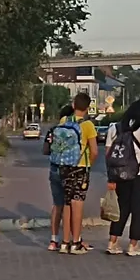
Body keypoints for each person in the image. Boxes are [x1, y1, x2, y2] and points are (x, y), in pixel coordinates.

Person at [105, 96, 140, 256]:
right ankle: (133, 246)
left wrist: (111, 178)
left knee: (121, 209)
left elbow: (109, 155)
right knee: (139, 211)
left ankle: (112, 243)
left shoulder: (114, 128)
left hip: (121, 175)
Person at [58, 92, 98, 255]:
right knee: (78, 203)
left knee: (67, 203)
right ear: (88, 108)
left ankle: (64, 242)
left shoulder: (63, 121)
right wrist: (89, 164)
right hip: (80, 167)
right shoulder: (88, 126)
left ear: (73, 105)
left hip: (64, 167)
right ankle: (76, 242)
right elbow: (94, 151)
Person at [45, 105, 74, 252]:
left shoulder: (53, 130)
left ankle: (53, 239)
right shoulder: (76, 130)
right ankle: (70, 240)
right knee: (71, 205)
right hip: (70, 171)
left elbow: (45, 150)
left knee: (57, 205)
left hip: (54, 169)